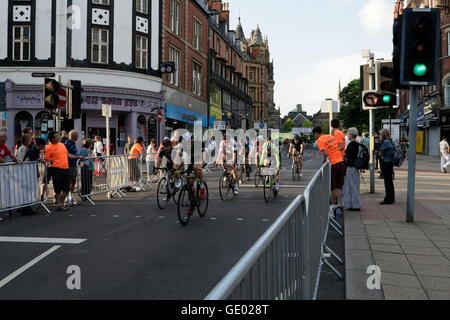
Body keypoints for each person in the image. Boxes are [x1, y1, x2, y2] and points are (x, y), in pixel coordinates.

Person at [44, 131, 84, 212]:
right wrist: (47, 163)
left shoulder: (62, 145)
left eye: (58, 136)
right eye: (56, 136)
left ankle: (61, 202)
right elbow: (46, 159)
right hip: (56, 169)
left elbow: (68, 155)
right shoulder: (49, 147)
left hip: (66, 168)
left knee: (66, 188)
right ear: (52, 138)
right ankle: (60, 205)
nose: (58, 137)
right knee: (58, 189)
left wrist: (78, 157)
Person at [313, 126, 345, 218]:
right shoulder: (331, 136)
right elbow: (340, 146)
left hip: (333, 163)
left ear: (316, 133)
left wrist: (325, 159)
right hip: (341, 162)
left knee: (332, 186)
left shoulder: (319, 140)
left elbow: (325, 153)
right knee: (339, 185)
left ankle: (332, 206)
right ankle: (339, 205)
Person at [342, 128, 362, 211]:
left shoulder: (351, 144)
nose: (347, 135)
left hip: (350, 166)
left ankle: (353, 205)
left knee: (350, 185)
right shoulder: (358, 144)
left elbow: (344, 154)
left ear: (351, 134)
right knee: (355, 185)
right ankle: (354, 204)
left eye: (348, 134)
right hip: (356, 167)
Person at [64, 130, 81, 206]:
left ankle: (71, 195)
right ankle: (67, 198)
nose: (78, 137)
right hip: (69, 164)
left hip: (74, 164)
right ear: (73, 136)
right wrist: (78, 157)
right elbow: (67, 154)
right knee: (68, 181)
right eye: (77, 136)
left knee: (73, 181)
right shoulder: (67, 143)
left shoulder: (73, 142)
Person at [379, 129, 395, 205]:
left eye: (380, 134)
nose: (379, 136)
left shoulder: (385, 142)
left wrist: (382, 156)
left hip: (386, 163)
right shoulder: (390, 141)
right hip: (390, 163)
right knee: (390, 182)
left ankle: (388, 198)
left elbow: (380, 152)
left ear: (383, 135)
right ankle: (391, 198)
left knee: (387, 182)